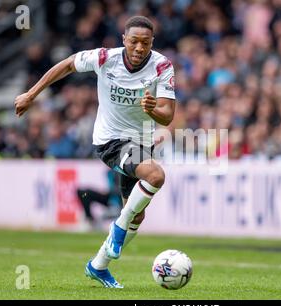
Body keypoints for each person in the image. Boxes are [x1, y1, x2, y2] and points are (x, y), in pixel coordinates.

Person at [15, 16, 176, 288]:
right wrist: (31, 94)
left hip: (141, 143)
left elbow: (167, 116)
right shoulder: (104, 58)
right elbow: (66, 65)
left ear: (152, 43)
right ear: (123, 39)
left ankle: (98, 266)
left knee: (136, 215)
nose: (139, 48)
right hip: (110, 142)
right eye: (134, 41)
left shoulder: (162, 66)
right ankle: (117, 228)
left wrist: (152, 109)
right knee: (156, 176)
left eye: (145, 43)